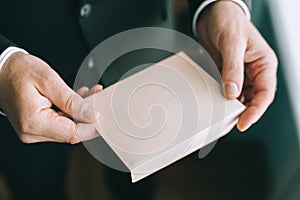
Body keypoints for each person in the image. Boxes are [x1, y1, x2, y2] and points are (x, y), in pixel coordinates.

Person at [0, 0, 277, 199]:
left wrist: (222, 5)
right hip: (19, 73)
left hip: (144, 57)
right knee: (36, 186)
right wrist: (3, 65)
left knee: (139, 179)